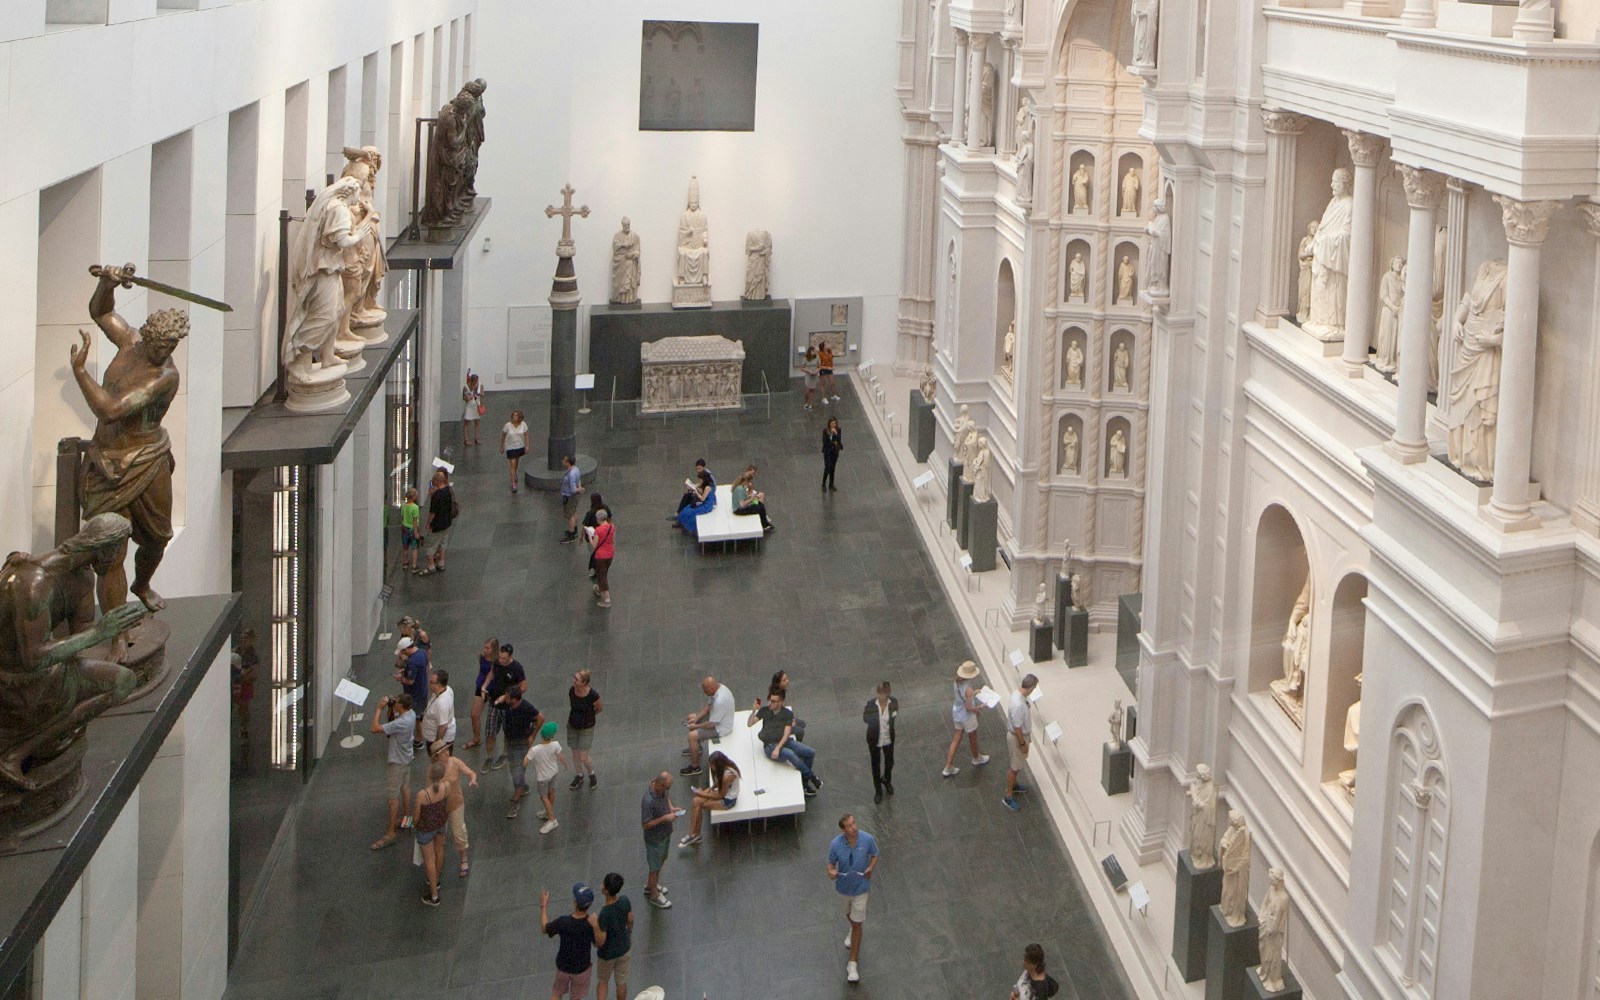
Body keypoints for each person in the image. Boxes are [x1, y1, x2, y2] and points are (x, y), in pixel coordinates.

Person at [72, 265, 187, 616]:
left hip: (146, 458)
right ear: (147, 335)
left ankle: (142, 583)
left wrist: (80, 373)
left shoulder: (165, 376)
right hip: (107, 459)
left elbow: (110, 409)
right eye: (158, 343)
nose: (163, 350)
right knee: (111, 548)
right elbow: (101, 311)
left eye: (170, 345)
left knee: (157, 538)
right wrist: (108, 283)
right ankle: (116, 628)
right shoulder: (132, 341)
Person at [827, 813, 879, 984]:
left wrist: (870, 867)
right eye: (849, 826)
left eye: (854, 823)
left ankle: (852, 962)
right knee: (849, 914)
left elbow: (875, 854)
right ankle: (852, 927)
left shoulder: (867, 839)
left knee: (858, 923)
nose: (854, 827)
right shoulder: (836, 844)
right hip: (843, 888)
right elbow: (830, 864)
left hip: (861, 888)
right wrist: (832, 872)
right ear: (843, 830)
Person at [749, 688, 820, 795]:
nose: (770, 703)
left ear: (781, 702)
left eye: (773, 701)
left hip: (784, 741)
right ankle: (811, 776)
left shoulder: (787, 714)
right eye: (770, 700)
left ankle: (805, 782)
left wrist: (779, 748)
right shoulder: (765, 710)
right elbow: (750, 724)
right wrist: (754, 711)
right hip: (770, 745)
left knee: (810, 752)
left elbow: (786, 733)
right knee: (790, 754)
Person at [541, 884, 606, 1000]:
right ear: (589, 905)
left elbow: (544, 928)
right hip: (582, 969)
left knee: (556, 993)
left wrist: (544, 906)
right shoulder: (590, 924)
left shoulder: (563, 922)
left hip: (563, 966)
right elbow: (598, 943)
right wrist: (596, 926)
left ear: (575, 903)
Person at [368, 693, 415, 850]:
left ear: (401, 705)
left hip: (397, 762)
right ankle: (407, 819)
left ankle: (390, 833)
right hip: (407, 757)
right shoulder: (411, 714)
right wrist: (391, 707)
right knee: (405, 787)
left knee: (392, 798)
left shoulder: (401, 722)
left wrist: (379, 708)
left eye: (396, 702)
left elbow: (374, 728)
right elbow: (393, 718)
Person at [428, 742, 478, 878]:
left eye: (447, 750)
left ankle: (464, 859)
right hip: (440, 807)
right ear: (437, 756)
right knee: (439, 837)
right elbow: (429, 789)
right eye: (443, 752)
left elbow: (470, 772)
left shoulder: (454, 762)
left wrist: (472, 779)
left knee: (458, 832)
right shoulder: (432, 769)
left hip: (456, 803)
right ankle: (438, 863)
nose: (446, 753)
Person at [413, 759, 455, 906]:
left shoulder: (422, 795)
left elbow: (417, 817)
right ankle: (436, 880)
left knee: (429, 860)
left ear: (429, 776)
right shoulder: (447, 787)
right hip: (441, 824)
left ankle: (434, 895)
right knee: (440, 850)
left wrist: (414, 824)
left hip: (425, 830)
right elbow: (448, 805)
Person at [677, 750, 740, 847]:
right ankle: (694, 834)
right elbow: (718, 783)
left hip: (728, 801)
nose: (710, 767)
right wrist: (709, 789)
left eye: (712, 765)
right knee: (695, 801)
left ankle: (693, 834)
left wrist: (702, 794)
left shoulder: (728, 776)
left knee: (699, 804)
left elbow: (720, 796)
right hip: (722, 792)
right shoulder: (725, 768)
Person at [499, 685, 543, 818]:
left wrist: (533, 735)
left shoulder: (525, 707)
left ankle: (516, 800)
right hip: (510, 741)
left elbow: (540, 718)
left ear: (514, 699)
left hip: (520, 743)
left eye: (507, 697)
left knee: (518, 769)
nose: (505, 698)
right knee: (514, 767)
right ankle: (523, 786)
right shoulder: (508, 704)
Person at [481, 642, 527, 769]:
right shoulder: (497, 662)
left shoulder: (517, 668)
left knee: (508, 732)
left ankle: (505, 754)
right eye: (500, 657)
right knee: (490, 732)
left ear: (510, 656)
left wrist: (507, 696)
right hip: (494, 703)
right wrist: (484, 686)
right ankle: (490, 757)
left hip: (509, 706)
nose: (501, 660)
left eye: (504, 659)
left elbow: (524, 686)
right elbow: (492, 673)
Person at [680, 676, 735, 776]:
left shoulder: (720, 701)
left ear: (712, 689)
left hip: (720, 728)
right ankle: (697, 747)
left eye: (705, 690)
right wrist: (695, 719)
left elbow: (711, 724)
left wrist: (695, 726)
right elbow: (708, 707)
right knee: (690, 717)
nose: (704, 692)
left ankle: (695, 767)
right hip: (716, 717)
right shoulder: (718, 688)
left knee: (692, 736)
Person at [943, 660, 990, 777]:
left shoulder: (957, 682)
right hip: (967, 716)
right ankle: (976, 757)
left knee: (956, 738)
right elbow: (969, 707)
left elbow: (963, 697)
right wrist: (979, 707)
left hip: (957, 712)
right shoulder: (968, 688)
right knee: (973, 736)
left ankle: (948, 765)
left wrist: (974, 693)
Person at [640, 772, 678, 909]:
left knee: (661, 860)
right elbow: (645, 824)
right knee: (654, 867)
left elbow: (666, 797)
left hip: (664, 834)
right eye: (667, 788)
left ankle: (651, 885)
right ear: (659, 784)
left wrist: (671, 809)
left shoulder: (661, 790)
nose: (668, 791)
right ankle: (654, 895)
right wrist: (665, 818)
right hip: (655, 839)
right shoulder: (648, 801)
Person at [524, 721, 568, 834]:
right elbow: (561, 756)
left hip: (543, 777)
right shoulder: (556, 744)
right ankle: (548, 812)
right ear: (552, 735)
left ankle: (552, 820)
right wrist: (566, 764)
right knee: (551, 791)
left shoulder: (535, 749)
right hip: (554, 772)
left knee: (543, 797)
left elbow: (525, 762)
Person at [595, 873, 633, 1000]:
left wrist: (594, 927)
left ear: (605, 890)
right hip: (623, 948)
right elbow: (630, 919)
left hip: (607, 954)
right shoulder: (624, 901)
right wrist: (629, 935)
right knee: (621, 982)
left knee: (603, 981)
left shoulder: (604, 913)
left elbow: (601, 939)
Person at [1004, 674, 1038, 811]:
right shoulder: (1018, 705)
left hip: (1020, 735)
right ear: (1030, 688)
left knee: (1017, 765)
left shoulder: (1018, 694)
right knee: (1014, 767)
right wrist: (1023, 743)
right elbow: (1017, 727)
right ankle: (1008, 795)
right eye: (1034, 688)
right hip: (1018, 737)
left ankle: (1014, 785)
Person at [863, 680, 897, 804]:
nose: (880, 696)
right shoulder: (871, 704)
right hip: (874, 739)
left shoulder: (893, 703)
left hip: (888, 738)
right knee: (875, 764)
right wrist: (875, 720)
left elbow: (894, 715)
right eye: (878, 693)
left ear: (887, 694)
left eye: (882, 694)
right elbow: (865, 718)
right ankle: (878, 790)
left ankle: (887, 780)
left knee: (889, 762)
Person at [566, 669, 602, 788]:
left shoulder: (592, 695)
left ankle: (591, 774)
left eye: (577, 679)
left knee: (583, 756)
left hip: (586, 728)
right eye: (574, 678)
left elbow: (599, 707)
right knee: (575, 753)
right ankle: (579, 775)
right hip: (572, 726)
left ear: (585, 683)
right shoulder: (572, 690)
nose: (574, 681)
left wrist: (589, 716)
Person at [419, 467, 455, 575]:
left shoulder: (436, 495)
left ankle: (431, 566)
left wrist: (428, 523)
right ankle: (441, 563)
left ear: (438, 482)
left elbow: (432, 512)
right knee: (443, 543)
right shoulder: (448, 490)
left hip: (437, 524)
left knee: (430, 545)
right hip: (447, 522)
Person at [463, 635, 497, 750]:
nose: (485, 650)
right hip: (481, 686)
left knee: (495, 715)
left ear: (493, 649)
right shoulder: (481, 656)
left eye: (488, 648)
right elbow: (482, 670)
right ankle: (476, 738)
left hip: (493, 688)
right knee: (474, 714)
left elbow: (492, 674)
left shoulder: (497, 661)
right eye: (485, 647)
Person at [421, 668, 456, 756]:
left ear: (439, 684)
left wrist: (436, 743)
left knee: (439, 764)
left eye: (432, 682)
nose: (429, 684)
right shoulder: (447, 689)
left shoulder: (442, 704)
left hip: (438, 740)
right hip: (433, 736)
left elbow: (443, 727)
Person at [232, 629, 258, 743]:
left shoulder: (252, 655)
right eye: (243, 638)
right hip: (235, 682)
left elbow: (253, 670)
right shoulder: (235, 651)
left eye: (246, 639)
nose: (244, 641)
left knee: (243, 707)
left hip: (244, 683)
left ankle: (244, 729)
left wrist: (244, 673)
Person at [730, 468, 773, 532]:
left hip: (741, 507)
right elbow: (742, 504)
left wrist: (751, 496)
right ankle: (764, 524)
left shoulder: (742, 487)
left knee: (760, 504)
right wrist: (751, 499)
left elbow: (744, 497)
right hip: (739, 510)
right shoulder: (740, 489)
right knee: (760, 507)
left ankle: (764, 522)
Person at [674, 470, 715, 535]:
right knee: (687, 509)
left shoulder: (708, 487)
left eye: (700, 479)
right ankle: (682, 522)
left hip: (706, 505)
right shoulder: (705, 485)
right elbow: (701, 491)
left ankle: (686, 525)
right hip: (704, 501)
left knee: (690, 512)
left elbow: (702, 499)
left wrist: (696, 492)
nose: (699, 481)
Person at [582, 493, 613, 578]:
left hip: (592, 537)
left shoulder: (590, 513)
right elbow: (610, 518)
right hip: (604, 535)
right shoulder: (605, 508)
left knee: (593, 553)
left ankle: (597, 569)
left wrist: (581, 538)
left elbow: (585, 526)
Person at [589, 509, 615, 609]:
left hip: (601, 556)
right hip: (610, 554)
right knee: (604, 572)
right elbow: (612, 540)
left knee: (601, 576)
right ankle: (599, 588)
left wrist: (590, 537)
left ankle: (607, 600)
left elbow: (594, 545)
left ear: (599, 519)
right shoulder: (612, 527)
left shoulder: (598, 530)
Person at [500, 409, 529, 494]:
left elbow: (526, 435)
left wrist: (527, 446)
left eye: (516, 415)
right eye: (513, 415)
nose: (514, 417)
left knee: (516, 462)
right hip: (510, 447)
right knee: (512, 463)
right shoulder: (507, 426)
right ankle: (513, 483)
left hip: (519, 446)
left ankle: (514, 473)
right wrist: (501, 446)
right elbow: (503, 436)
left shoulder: (523, 424)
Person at [559, 454, 584, 543]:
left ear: (568, 463)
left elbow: (573, 489)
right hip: (573, 497)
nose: (563, 461)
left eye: (564, 460)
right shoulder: (576, 469)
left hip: (569, 496)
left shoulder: (571, 474)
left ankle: (571, 534)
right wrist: (579, 487)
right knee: (574, 512)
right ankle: (574, 529)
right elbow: (579, 479)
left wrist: (579, 488)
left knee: (570, 516)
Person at [399, 488, 421, 573]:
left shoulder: (404, 506)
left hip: (405, 529)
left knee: (405, 547)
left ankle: (405, 563)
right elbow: (415, 521)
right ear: (414, 497)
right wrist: (416, 532)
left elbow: (402, 517)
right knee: (414, 547)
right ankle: (414, 566)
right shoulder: (415, 508)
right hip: (412, 529)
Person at [461, 371, 483, 447]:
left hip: (476, 406)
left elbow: (482, 394)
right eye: (474, 381)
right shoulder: (466, 387)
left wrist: (479, 394)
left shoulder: (479, 386)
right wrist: (468, 397)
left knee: (477, 422)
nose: (476, 382)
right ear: (471, 380)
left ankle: (476, 438)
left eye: (477, 381)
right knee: (467, 423)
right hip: (469, 406)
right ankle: (466, 439)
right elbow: (464, 398)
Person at [821, 417, 843, 492]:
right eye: (832, 423)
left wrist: (836, 434)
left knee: (833, 468)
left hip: (834, 452)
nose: (834, 425)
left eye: (835, 423)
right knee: (827, 467)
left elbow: (839, 441)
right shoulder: (825, 431)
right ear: (829, 424)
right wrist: (832, 440)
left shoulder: (838, 430)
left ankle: (831, 484)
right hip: (827, 452)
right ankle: (823, 484)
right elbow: (825, 442)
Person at [800, 346, 820, 411]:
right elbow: (802, 368)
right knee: (807, 391)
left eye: (814, 351)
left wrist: (816, 371)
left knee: (813, 390)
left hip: (815, 375)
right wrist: (808, 371)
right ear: (810, 351)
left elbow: (819, 366)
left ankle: (810, 403)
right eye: (813, 351)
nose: (814, 352)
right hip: (809, 376)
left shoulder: (817, 357)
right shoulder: (805, 358)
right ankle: (806, 403)